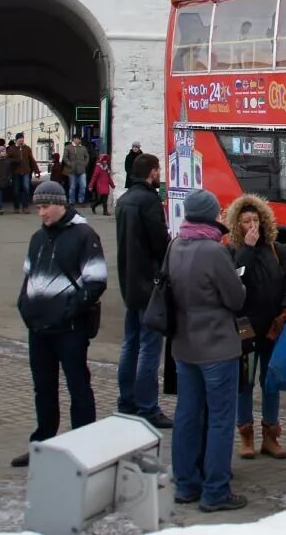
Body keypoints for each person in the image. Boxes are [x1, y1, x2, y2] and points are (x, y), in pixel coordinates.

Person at [11, 181, 107, 468]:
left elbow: (97, 280)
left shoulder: (84, 235)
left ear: (61, 203)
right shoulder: (37, 239)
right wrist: (25, 307)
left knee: (78, 385)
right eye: (38, 207)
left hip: (70, 329)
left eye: (45, 206)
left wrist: (68, 311)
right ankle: (42, 443)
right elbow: (27, 277)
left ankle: (84, 443)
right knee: (43, 387)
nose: (41, 213)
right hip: (39, 328)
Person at [170, 189, 247, 512]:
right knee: (220, 419)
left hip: (184, 345)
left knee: (187, 415)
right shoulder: (214, 252)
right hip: (217, 347)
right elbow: (236, 298)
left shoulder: (175, 245)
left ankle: (186, 484)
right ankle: (216, 491)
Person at [226, 194, 286, 460]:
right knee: (244, 383)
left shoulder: (278, 250)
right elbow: (235, 280)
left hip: (272, 326)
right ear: (238, 225)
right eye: (246, 221)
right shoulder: (232, 252)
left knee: (271, 381)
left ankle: (271, 437)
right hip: (244, 327)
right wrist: (246, 249)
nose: (252, 225)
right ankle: (246, 436)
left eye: (256, 219)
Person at [115, 153, 172, 429]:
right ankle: (148, 407)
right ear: (151, 172)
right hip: (149, 284)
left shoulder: (124, 200)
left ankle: (126, 401)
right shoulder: (148, 200)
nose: (159, 173)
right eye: (157, 169)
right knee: (149, 348)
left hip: (129, 281)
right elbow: (159, 242)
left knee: (130, 345)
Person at [8, 133, 41, 214]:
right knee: (16, 190)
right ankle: (16, 207)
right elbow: (7, 159)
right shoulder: (12, 148)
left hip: (26, 171)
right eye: (20, 139)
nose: (22, 140)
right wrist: (14, 161)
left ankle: (25, 207)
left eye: (23, 139)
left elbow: (32, 160)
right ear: (16, 140)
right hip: (16, 172)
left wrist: (37, 171)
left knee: (26, 189)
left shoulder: (27, 148)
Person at [64, 135, 91, 205]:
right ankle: (71, 201)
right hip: (72, 170)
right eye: (78, 139)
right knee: (72, 186)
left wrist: (85, 164)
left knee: (83, 186)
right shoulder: (68, 147)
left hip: (82, 170)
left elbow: (87, 156)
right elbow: (65, 157)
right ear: (74, 139)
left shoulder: (83, 148)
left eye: (80, 139)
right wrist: (69, 164)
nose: (80, 140)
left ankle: (81, 200)